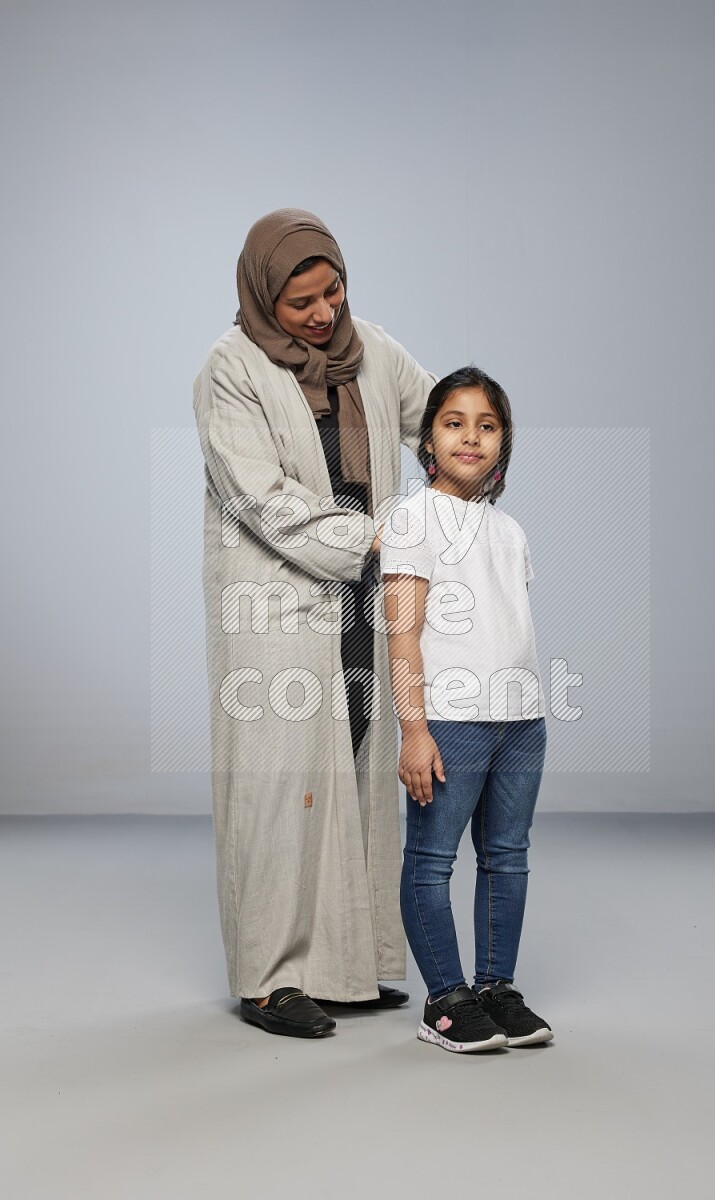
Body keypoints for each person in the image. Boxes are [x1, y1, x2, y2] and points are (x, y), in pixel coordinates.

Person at [193, 208, 436, 1038]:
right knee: (276, 784)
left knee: (360, 767)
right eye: (302, 302)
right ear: (265, 297)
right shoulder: (229, 370)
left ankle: (345, 966)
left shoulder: (368, 347)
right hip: (274, 601)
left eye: (332, 290)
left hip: (363, 599)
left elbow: (433, 417)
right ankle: (268, 978)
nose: (324, 313)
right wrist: (378, 535)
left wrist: (471, 444)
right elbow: (259, 496)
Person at [380, 365, 553, 1053]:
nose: (471, 437)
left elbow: (506, 624)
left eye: (486, 426)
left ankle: (494, 988)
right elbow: (402, 631)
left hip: (521, 720)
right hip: (450, 720)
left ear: (503, 442)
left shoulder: (508, 529)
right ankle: (445, 999)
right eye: (455, 423)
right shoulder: (412, 517)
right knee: (431, 859)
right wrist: (414, 729)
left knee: (507, 856)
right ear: (429, 438)